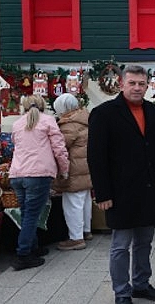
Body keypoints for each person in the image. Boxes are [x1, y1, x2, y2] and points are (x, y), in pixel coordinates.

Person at [87, 65, 155, 304]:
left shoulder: (153, 111)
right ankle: (122, 291)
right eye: (132, 83)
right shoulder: (104, 113)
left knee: (144, 242)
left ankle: (141, 284)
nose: (137, 88)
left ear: (147, 85)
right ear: (121, 84)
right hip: (119, 192)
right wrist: (102, 193)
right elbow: (96, 157)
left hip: (148, 190)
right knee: (121, 246)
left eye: (141, 84)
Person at [8, 95, 69, 271]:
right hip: (38, 174)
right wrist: (64, 169)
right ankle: (23, 254)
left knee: (27, 213)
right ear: (43, 105)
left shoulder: (17, 124)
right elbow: (59, 148)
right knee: (32, 215)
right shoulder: (48, 120)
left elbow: (16, 146)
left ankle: (33, 247)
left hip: (17, 174)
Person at [52, 93, 93, 251]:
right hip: (86, 166)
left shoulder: (69, 124)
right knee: (84, 200)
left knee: (72, 203)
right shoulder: (85, 118)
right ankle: (86, 231)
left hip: (74, 168)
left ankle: (76, 238)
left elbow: (61, 146)